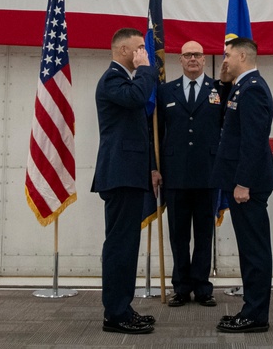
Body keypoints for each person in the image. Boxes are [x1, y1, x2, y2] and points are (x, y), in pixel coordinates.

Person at [92, 28, 160, 335]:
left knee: (127, 244)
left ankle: (123, 306)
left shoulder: (124, 78)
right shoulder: (112, 79)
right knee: (120, 245)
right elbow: (135, 100)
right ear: (123, 51)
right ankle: (115, 314)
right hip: (119, 175)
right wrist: (146, 69)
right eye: (139, 48)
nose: (144, 53)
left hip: (129, 174)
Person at [210, 37, 273, 333]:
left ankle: (256, 315)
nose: (224, 60)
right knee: (249, 251)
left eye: (227, 55)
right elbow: (231, 124)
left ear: (242, 56)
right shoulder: (241, 86)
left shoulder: (253, 90)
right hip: (241, 182)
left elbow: (253, 141)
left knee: (255, 251)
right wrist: (224, 84)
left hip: (247, 185)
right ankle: (251, 309)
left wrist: (243, 183)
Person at [154, 41, 222, 308]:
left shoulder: (218, 89)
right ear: (180, 60)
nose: (192, 59)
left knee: (204, 233)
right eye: (187, 55)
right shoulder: (165, 91)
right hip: (176, 174)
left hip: (209, 173)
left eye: (197, 55)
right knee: (178, 234)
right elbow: (157, 133)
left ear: (204, 60)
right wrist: (154, 167)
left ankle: (203, 288)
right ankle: (181, 287)